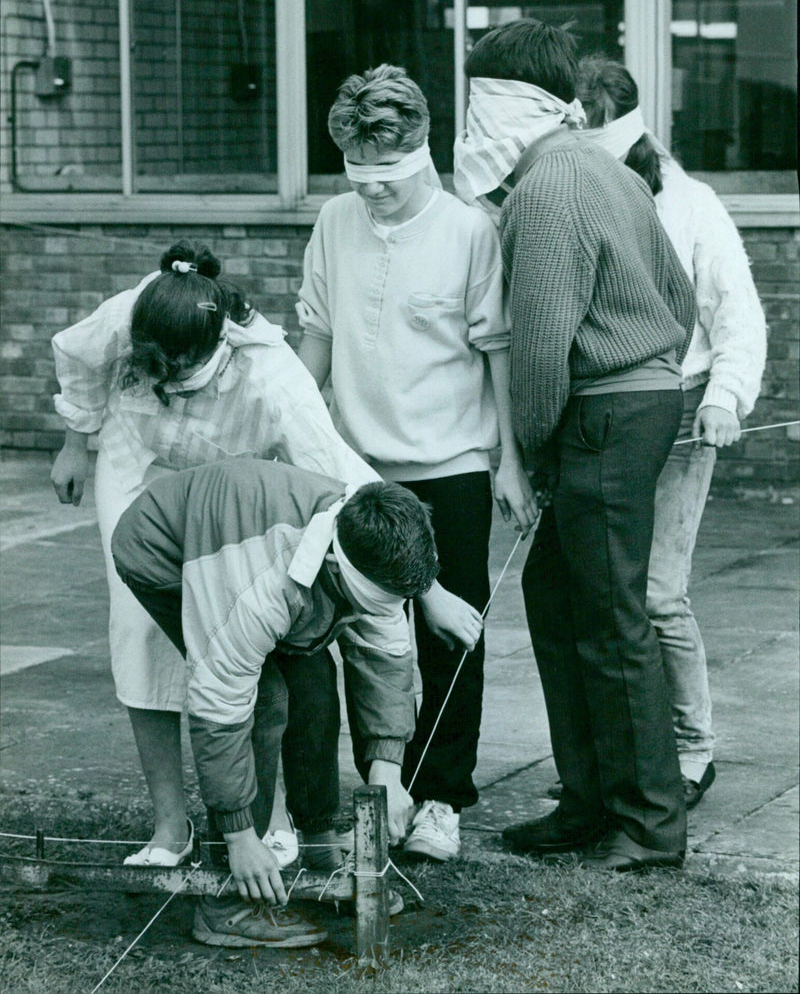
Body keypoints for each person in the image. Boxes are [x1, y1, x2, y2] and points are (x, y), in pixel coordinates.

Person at [50, 240, 481, 869]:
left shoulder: (277, 379)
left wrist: (428, 588)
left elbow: (342, 478)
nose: (170, 388)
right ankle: (173, 824)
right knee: (140, 635)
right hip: (137, 470)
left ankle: (271, 816)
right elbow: (78, 361)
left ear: (222, 349)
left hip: (235, 492)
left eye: (184, 378)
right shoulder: (132, 314)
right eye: (158, 375)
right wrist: (74, 442)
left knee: (265, 660)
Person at [454, 19, 697, 871]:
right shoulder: (602, 167)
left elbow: (541, 347)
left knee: (610, 620)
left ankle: (649, 824)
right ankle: (589, 800)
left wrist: (530, 450)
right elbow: (679, 293)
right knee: (561, 608)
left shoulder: (548, 189)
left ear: (502, 106)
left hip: (599, 414)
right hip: (638, 401)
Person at [296, 64, 537, 863]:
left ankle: (440, 797)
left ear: (424, 155)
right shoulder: (334, 221)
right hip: (358, 465)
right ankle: (371, 785)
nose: (372, 194)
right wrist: (295, 422)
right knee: (358, 633)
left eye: (387, 180)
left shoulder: (470, 231)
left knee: (449, 636)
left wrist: (505, 462)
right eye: (359, 179)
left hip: (452, 466)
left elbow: (497, 350)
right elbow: (319, 338)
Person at [111, 459, 434, 946]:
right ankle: (226, 898)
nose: (379, 615)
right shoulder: (257, 588)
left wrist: (387, 766)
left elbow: (386, 659)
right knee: (265, 698)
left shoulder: (374, 547)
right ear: (332, 568)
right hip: (165, 548)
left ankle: (321, 841)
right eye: (369, 603)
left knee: (315, 679)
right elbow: (219, 705)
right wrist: (239, 832)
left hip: (250, 534)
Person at [575, 55, 767, 808]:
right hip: (596, 413)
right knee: (599, 595)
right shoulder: (565, 195)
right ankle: (619, 753)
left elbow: (738, 313)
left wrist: (725, 398)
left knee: (656, 593)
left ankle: (692, 751)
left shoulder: (690, 202)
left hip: (681, 407)